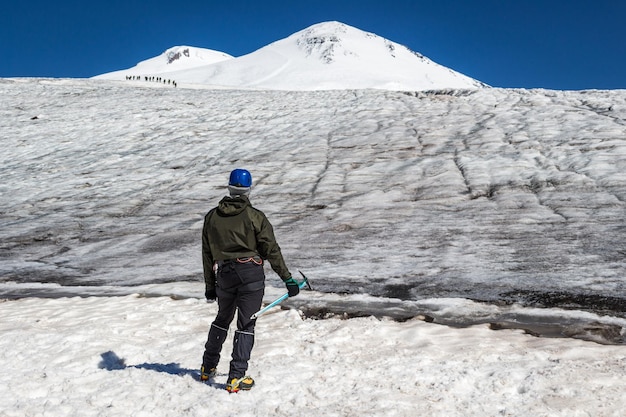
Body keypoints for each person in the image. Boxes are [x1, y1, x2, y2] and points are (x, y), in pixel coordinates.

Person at [200, 168, 300, 393]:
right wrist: (288, 279)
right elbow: (271, 249)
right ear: (248, 188)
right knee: (246, 323)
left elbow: (207, 254)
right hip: (250, 274)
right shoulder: (255, 216)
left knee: (222, 318)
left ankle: (208, 366)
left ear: (228, 186)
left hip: (223, 274)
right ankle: (236, 377)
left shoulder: (212, 217)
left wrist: (209, 286)